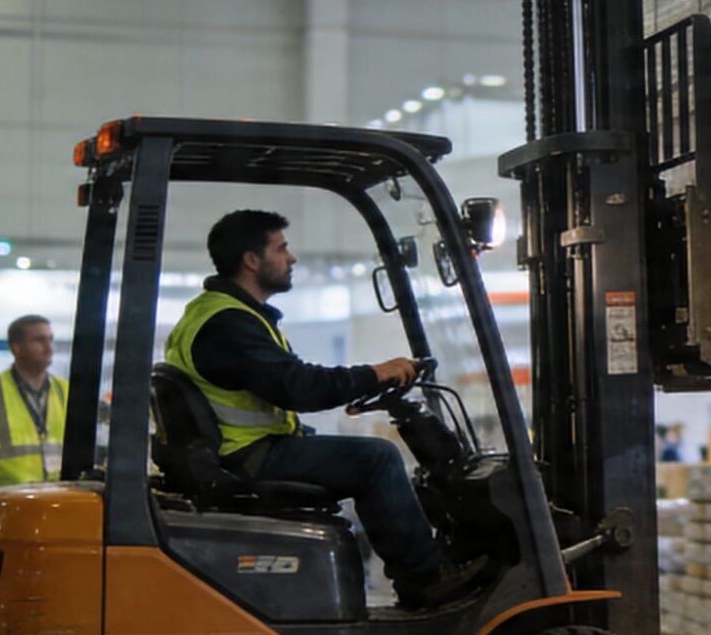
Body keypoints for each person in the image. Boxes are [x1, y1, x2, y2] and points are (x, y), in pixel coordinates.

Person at [166, 210, 482, 608]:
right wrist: (375, 373)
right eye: (281, 248)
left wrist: (367, 383)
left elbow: (284, 387)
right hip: (246, 459)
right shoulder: (228, 323)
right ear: (251, 260)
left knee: (361, 455)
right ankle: (425, 579)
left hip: (239, 452)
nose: (291, 258)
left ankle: (424, 569)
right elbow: (298, 387)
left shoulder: (220, 314)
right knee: (377, 459)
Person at [0, 316, 69, 495]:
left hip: (56, 506)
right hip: (8, 510)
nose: (49, 347)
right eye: (39, 340)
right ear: (16, 348)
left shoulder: (66, 391)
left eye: (50, 339)